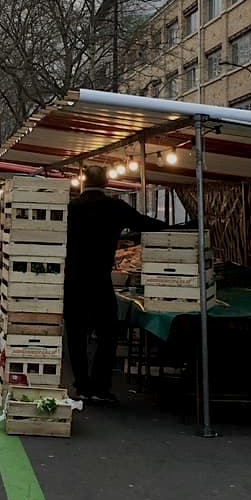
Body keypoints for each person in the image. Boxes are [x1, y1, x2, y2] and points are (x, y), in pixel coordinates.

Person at [64, 164, 167, 404]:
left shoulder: (72, 208)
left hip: (74, 279)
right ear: (106, 183)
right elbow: (146, 224)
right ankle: (101, 386)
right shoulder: (115, 207)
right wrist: (184, 227)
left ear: (83, 182)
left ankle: (82, 385)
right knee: (108, 332)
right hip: (101, 279)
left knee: (76, 333)